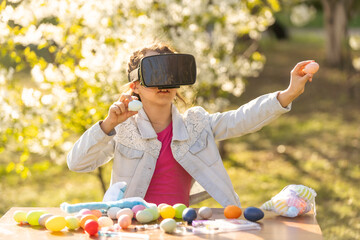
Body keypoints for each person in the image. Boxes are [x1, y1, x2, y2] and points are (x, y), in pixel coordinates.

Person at [67, 42, 316, 207]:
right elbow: (77, 163)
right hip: (131, 228)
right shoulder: (123, 128)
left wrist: (288, 94)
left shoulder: (196, 123)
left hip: (180, 227)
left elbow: (241, 119)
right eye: (155, 74)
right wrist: (108, 124)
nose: (164, 83)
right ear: (135, 85)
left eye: (171, 74)